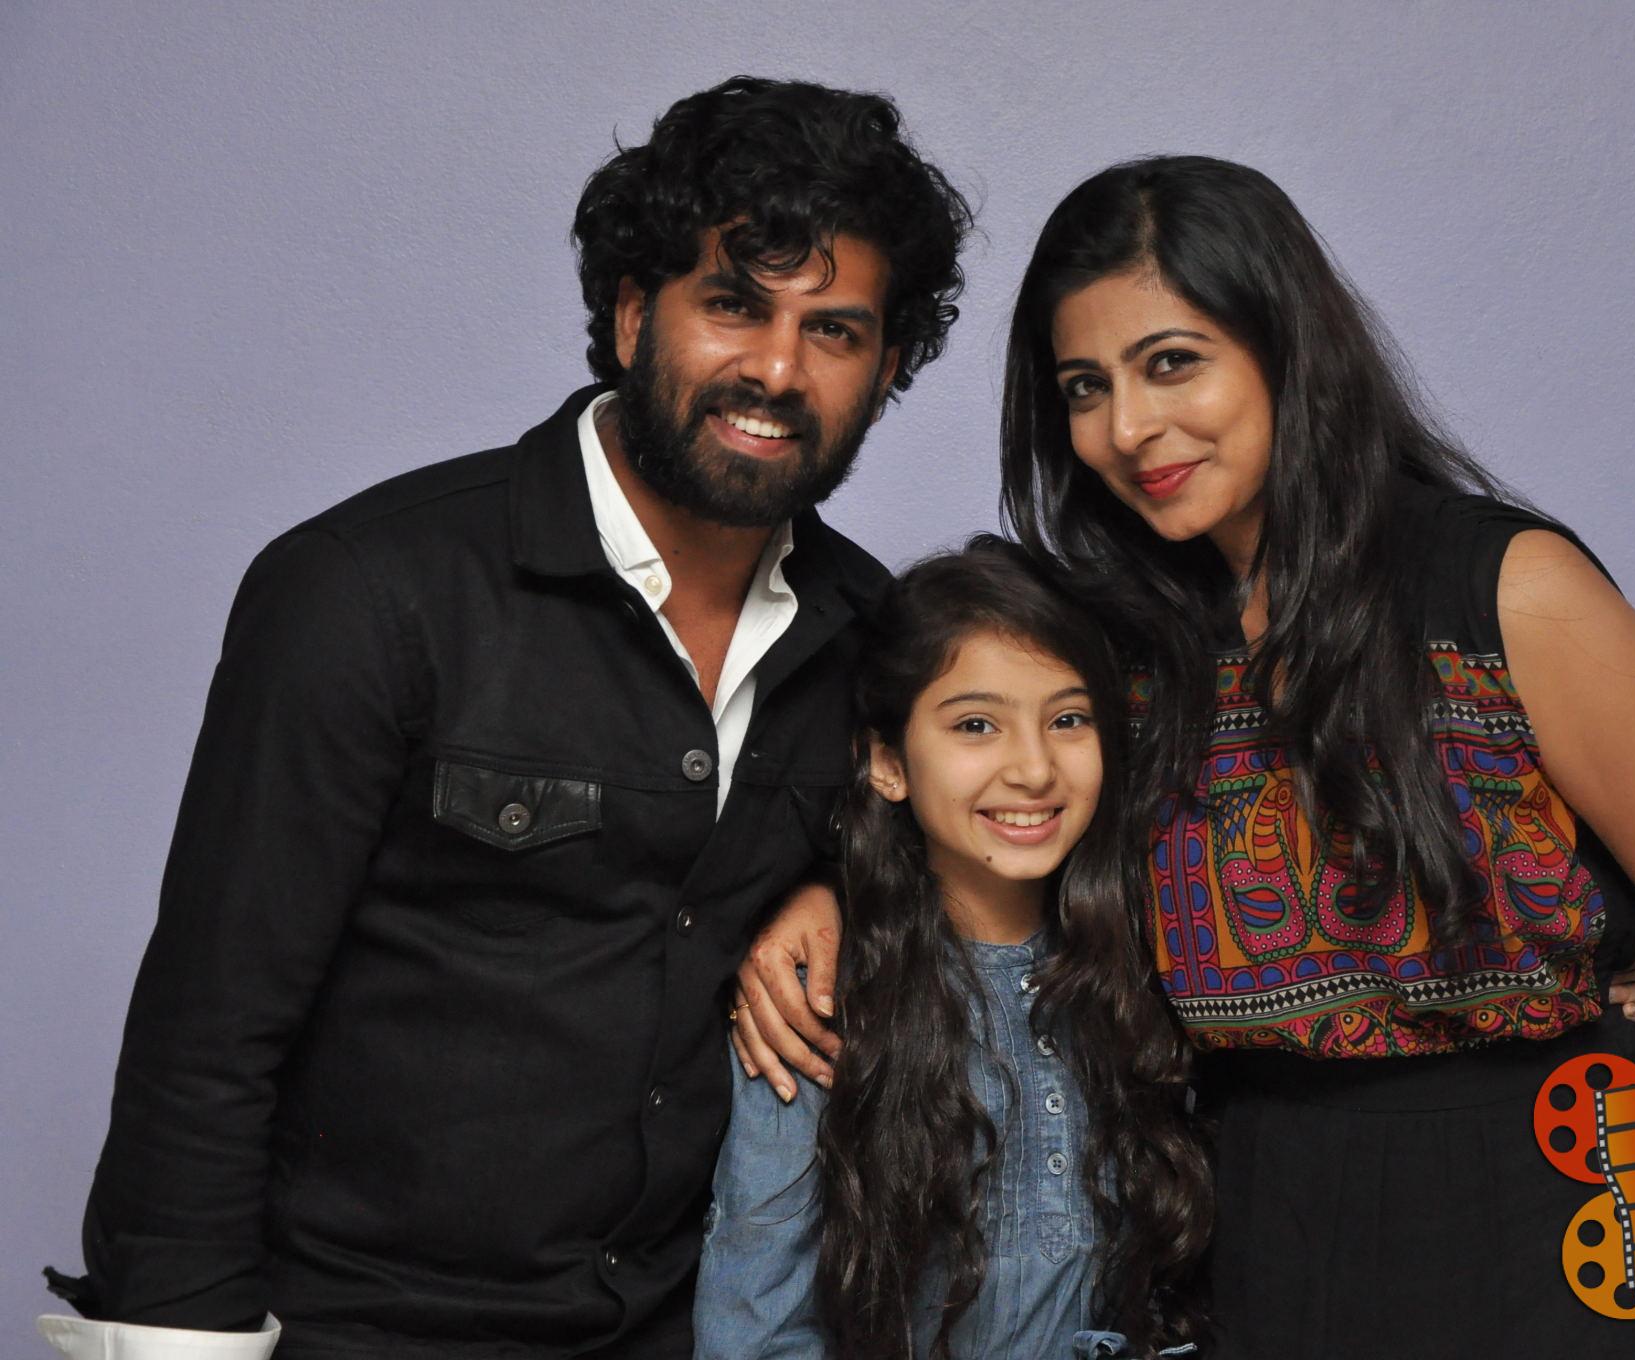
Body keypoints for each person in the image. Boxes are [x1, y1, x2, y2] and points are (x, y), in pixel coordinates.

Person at [741, 155, 1635, 1358]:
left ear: (1285, 349)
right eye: (1085, 386)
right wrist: (825, 890)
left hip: (1549, 1220)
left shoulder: (1509, 591)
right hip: (1255, 1229)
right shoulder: (1126, 646)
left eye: (1170, 362)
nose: (1126, 429)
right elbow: (975, 798)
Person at [39, 77, 972, 1360]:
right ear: (633, 313)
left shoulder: (868, 635)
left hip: (688, 1332)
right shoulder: (369, 594)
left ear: (885, 368)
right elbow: (207, 1039)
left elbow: (972, 891)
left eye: (835, 331)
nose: (775, 368)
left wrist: (841, 887)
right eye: (731, 305)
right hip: (360, 1331)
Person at [692, 538, 1207, 1360]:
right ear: (887, 762)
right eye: (976, 725)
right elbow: (754, 1330)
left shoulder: (1151, 967)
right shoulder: (825, 997)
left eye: (1068, 719)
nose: (1034, 769)